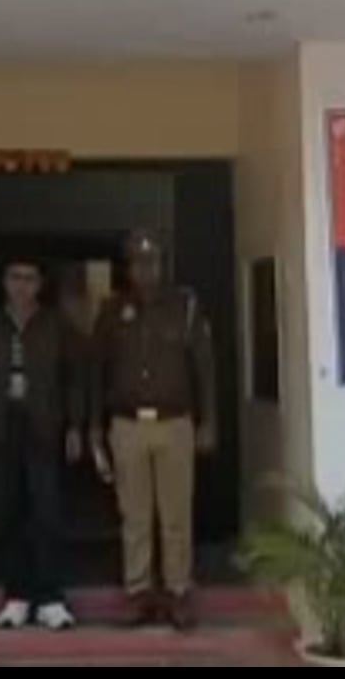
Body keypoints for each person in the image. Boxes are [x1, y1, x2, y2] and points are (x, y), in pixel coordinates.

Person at [88, 229, 217, 632]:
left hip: (175, 423)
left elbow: (204, 368)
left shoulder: (185, 306)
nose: (145, 269)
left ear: (163, 264)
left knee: (176, 515)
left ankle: (178, 592)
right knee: (135, 515)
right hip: (127, 425)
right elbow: (96, 371)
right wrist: (94, 427)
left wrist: (209, 421)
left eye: (152, 261)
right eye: (138, 262)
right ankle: (139, 592)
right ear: (128, 267)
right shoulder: (112, 310)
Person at [0, 256, 85, 632]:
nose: (22, 285)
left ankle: (50, 597)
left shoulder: (55, 324)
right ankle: (16, 595)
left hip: (44, 426)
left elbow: (73, 379)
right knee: (7, 511)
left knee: (47, 512)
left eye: (29, 278)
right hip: (1, 426)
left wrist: (75, 426)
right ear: (4, 281)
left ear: (40, 284)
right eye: (15, 277)